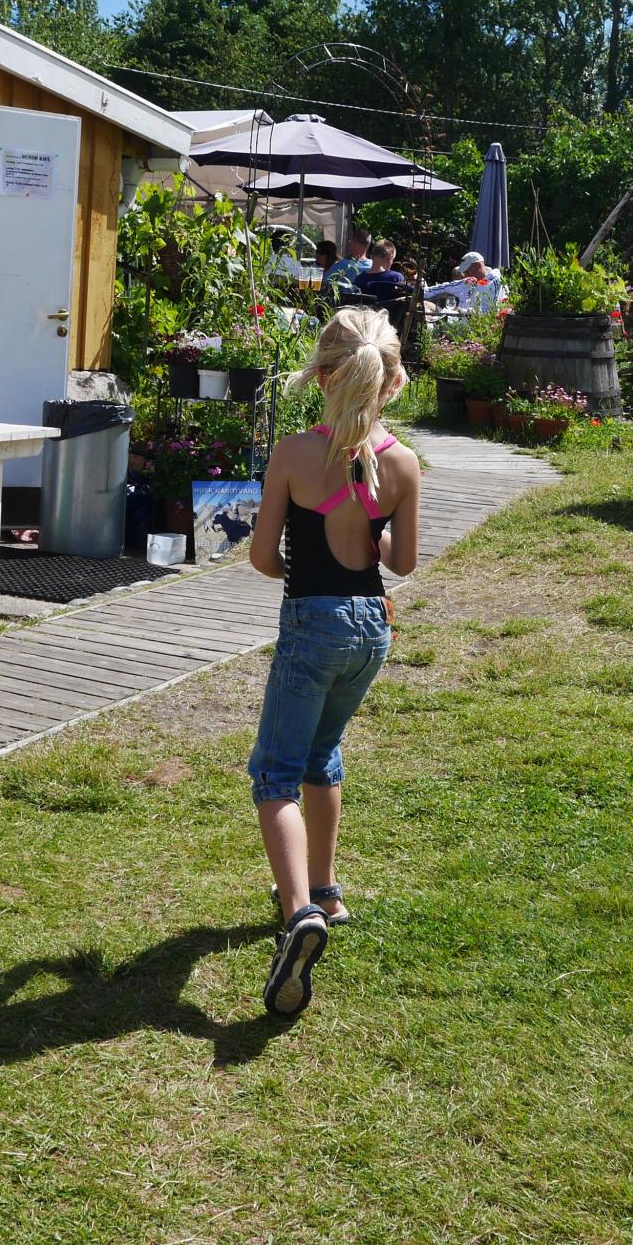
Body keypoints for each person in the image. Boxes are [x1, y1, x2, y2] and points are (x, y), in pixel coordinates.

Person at [245, 308, 421, 1017]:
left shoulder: (293, 454)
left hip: (312, 623)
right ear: (393, 380)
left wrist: (298, 558)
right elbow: (400, 562)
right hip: (370, 634)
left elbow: (262, 557)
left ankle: (298, 917)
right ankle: (326, 889)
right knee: (323, 755)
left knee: (274, 771)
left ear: (321, 376)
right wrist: (366, 536)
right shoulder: (403, 462)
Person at [323, 229, 371, 297]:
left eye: (350, 241)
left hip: (345, 305)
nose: (349, 243)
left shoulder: (344, 264)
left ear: (354, 243)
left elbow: (324, 281)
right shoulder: (374, 265)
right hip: (368, 305)